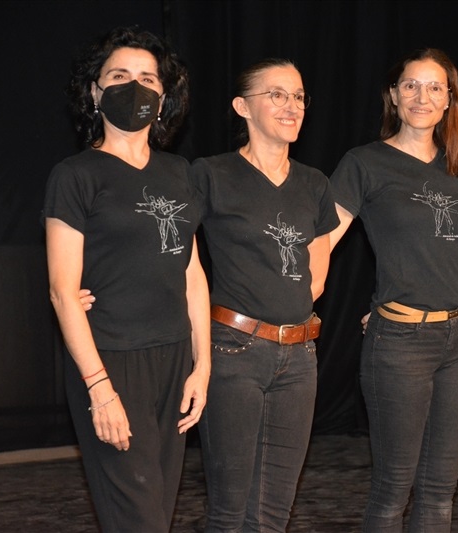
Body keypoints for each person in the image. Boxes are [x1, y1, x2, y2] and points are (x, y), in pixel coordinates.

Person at [43, 26, 210, 532]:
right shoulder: (75, 175)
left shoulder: (179, 171)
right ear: (95, 92)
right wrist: (99, 388)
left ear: (163, 99)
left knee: (157, 510)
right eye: (119, 76)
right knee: (137, 518)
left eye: (147, 78)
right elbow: (62, 292)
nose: (134, 87)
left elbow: (191, 272)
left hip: (174, 359)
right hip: (110, 359)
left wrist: (202, 365)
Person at [328, 48, 458, 532]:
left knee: (440, 493)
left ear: (449, 100)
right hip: (401, 343)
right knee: (392, 492)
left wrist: (425, 285)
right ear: (394, 96)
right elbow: (322, 243)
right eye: (411, 85)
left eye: (435, 87)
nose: (423, 96)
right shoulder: (365, 163)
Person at [191, 59, 339, 532]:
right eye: (276, 95)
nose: (291, 106)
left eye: (298, 96)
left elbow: (316, 275)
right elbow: (170, 253)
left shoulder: (314, 183)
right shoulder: (211, 174)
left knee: (274, 512)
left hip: (299, 358)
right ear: (242, 107)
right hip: (233, 351)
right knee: (229, 511)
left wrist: (284, 320)